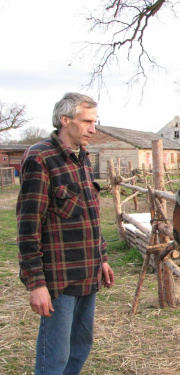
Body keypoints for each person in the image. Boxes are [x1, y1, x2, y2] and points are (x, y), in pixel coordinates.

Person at [17, 92, 115, 375]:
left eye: (94, 122)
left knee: (80, 348)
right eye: (87, 122)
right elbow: (28, 226)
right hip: (58, 280)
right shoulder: (40, 158)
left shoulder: (83, 158)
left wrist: (103, 258)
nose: (93, 129)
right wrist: (36, 284)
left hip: (88, 273)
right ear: (65, 120)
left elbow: (90, 217)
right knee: (55, 358)